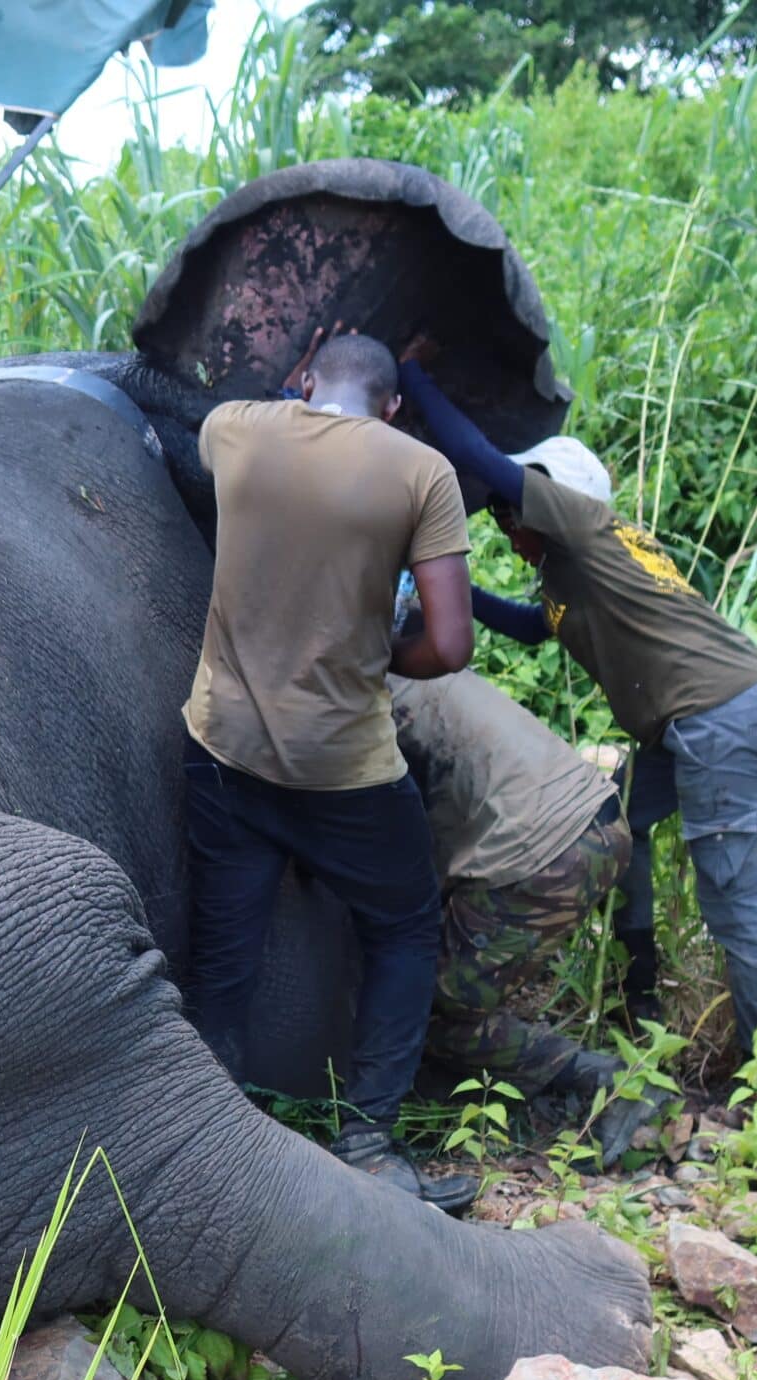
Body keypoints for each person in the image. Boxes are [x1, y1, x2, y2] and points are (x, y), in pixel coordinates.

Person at [395, 339, 757, 1049]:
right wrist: (446, 588)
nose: (506, 527)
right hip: (699, 720)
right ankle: (639, 997)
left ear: (546, 498)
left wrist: (412, 374)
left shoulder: (580, 527)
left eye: (510, 513)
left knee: (734, 899)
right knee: (621, 824)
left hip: (715, 717)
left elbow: (481, 458)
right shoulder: (574, 569)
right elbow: (526, 627)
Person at [181, 331, 480, 1213]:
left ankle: (210, 1142)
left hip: (225, 748)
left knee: (225, 952)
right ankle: (368, 1140)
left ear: (306, 379)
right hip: (345, 767)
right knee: (404, 926)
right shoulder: (422, 472)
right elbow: (453, 642)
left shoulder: (237, 427)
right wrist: (387, 655)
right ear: (392, 405)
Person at [389, 670, 663, 1166]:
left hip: (545, 854)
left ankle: (607, 1081)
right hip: (590, 822)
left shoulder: (377, 695)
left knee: (427, 1008)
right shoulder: (421, 667)